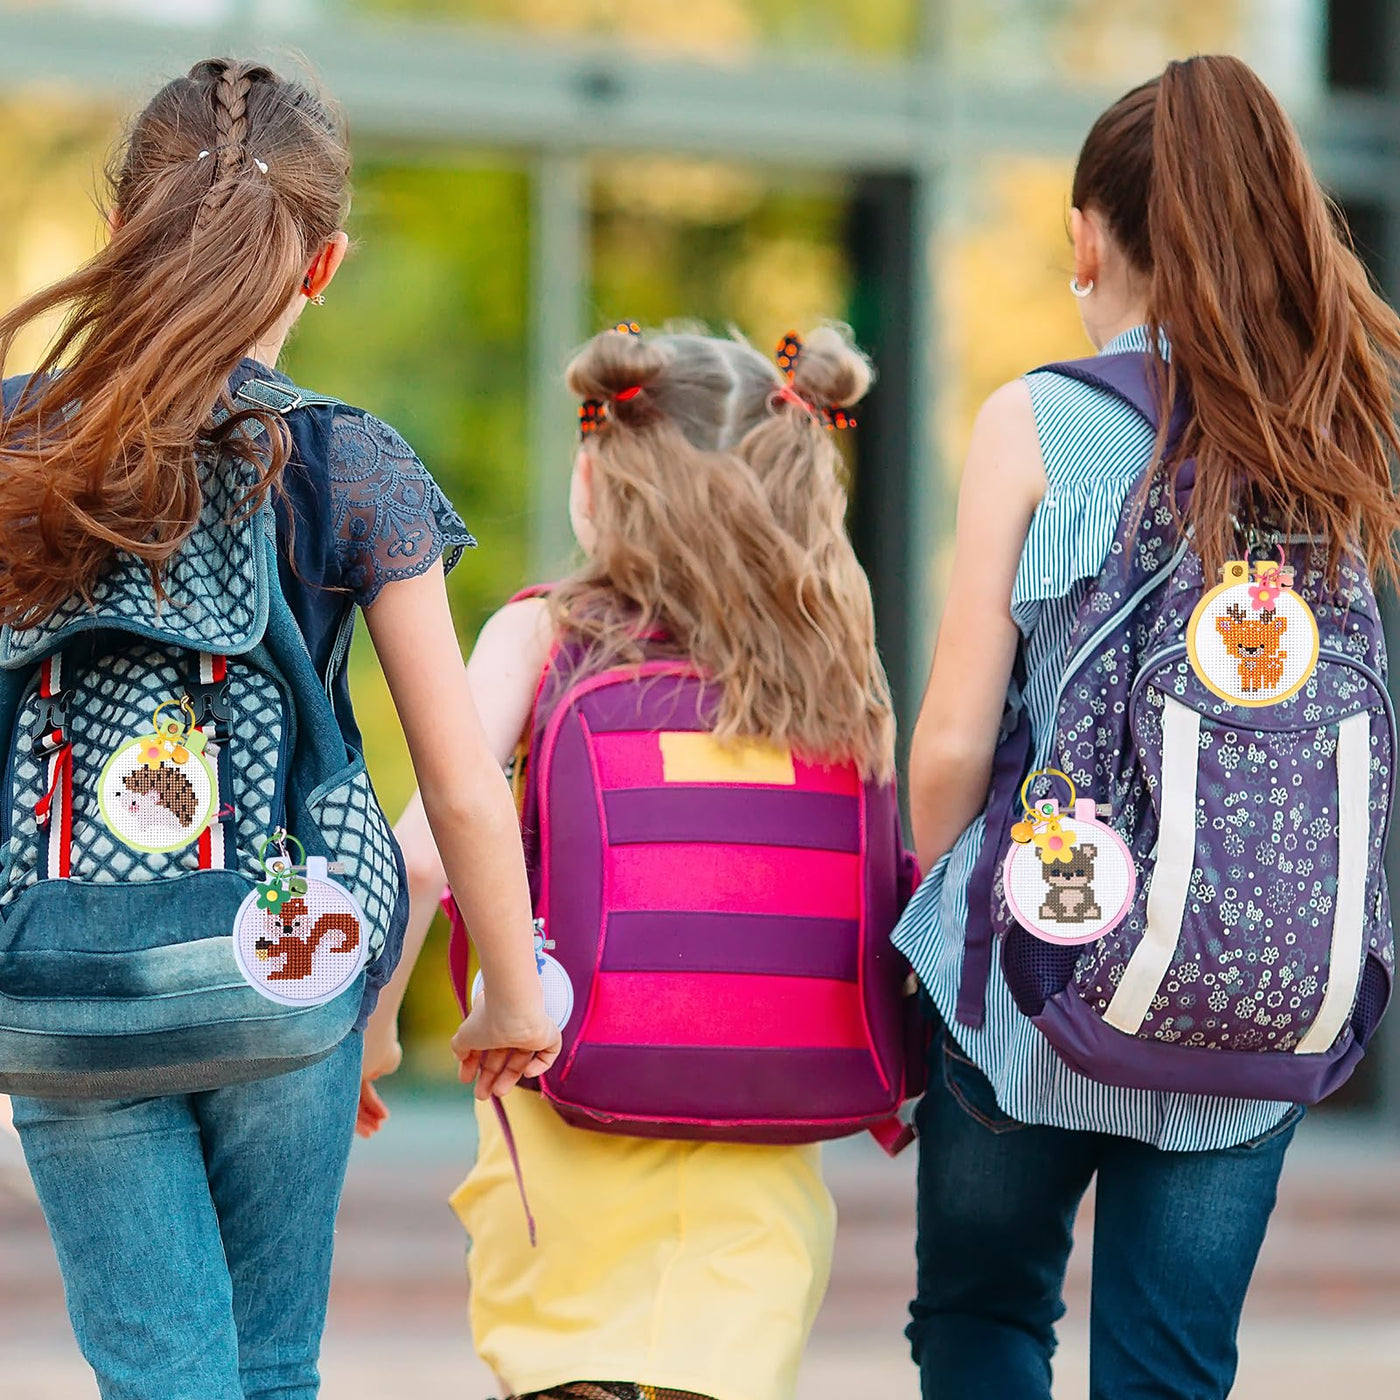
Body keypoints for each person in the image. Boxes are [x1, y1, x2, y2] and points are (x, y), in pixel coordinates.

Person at [0, 58, 559, 1400]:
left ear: (123, 224)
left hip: (64, 985)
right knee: (267, 1370)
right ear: (323, 265)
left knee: (166, 1378)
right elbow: (464, 786)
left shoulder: (21, 437)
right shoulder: (350, 462)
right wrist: (509, 999)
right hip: (290, 964)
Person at [895, 54, 1400, 1400]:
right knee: (1171, 1371)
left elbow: (951, 737)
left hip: (1037, 977)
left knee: (986, 1315)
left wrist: (927, 945)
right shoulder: (1340, 441)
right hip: (1261, 989)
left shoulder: (1043, 422)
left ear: (1087, 236)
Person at [359, 323, 894, 1400]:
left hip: (568, 1143)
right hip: (762, 1179)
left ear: (596, 479)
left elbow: (421, 861)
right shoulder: (833, 665)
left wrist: (369, 1038)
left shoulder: (544, 634)